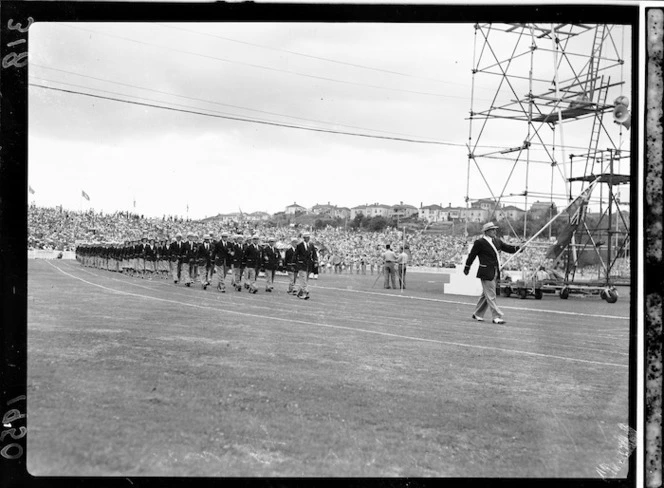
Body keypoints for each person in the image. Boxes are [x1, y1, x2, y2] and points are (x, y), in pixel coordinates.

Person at [464, 222, 520, 324]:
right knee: (491, 295)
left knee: (486, 295)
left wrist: (519, 248)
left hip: (495, 271)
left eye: (495, 229)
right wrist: (467, 267)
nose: (495, 231)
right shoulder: (480, 242)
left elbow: (508, 248)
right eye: (492, 229)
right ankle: (496, 316)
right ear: (487, 232)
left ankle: (477, 313)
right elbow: (472, 255)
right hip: (486, 271)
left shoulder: (497, 241)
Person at [293, 232, 318, 299]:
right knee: (303, 279)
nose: (308, 238)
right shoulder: (300, 245)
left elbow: (314, 254)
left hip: (308, 264)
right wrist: (295, 263)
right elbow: (295, 255)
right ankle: (305, 292)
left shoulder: (311, 245)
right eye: (306, 237)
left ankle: (299, 292)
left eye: (308, 237)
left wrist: (315, 261)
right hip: (301, 264)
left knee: (305, 279)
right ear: (304, 238)